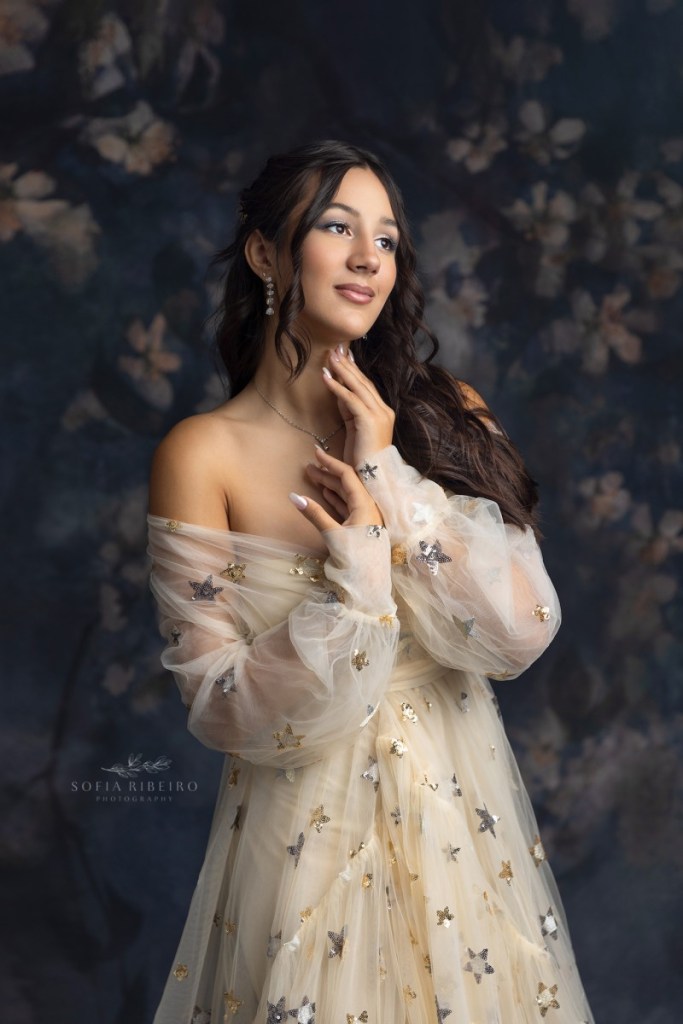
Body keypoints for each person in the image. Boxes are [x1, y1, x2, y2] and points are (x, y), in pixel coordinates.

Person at [147, 140, 594, 1024]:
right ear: (267, 253)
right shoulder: (204, 453)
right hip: (303, 843)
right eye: (336, 228)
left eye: (386, 240)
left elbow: (519, 631)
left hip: (464, 843)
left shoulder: (443, 411)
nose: (366, 260)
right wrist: (353, 579)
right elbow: (222, 706)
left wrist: (388, 473)